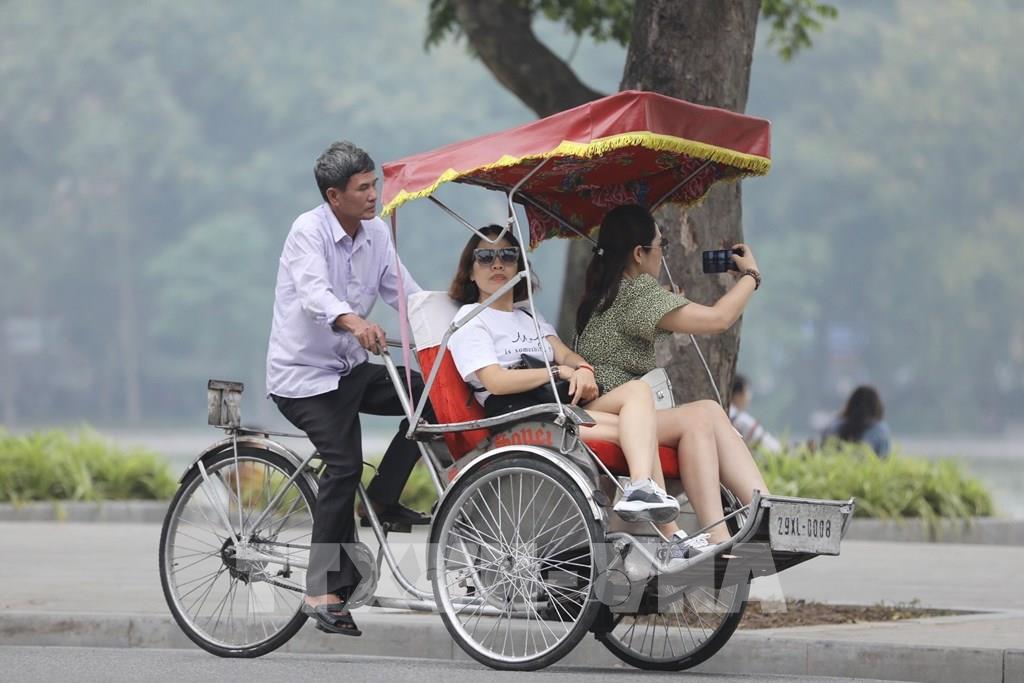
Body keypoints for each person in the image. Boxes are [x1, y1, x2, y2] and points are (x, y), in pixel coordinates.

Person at [446, 225, 709, 562]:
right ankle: (671, 535)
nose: (497, 264)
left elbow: (566, 354)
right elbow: (495, 381)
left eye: (508, 255)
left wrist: (582, 368)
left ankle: (644, 493)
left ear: (519, 266)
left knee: (638, 395)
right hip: (519, 414)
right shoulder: (471, 320)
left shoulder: (529, 317)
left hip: (555, 405)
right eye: (485, 257)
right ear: (470, 271)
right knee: (638, 432)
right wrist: (557, 372)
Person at [266, 141, 433, 636]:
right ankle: (320, 590)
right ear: (333, 196)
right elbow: (314, 294)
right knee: (342, 466)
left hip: (350, 370)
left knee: (429, 397)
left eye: (374, 185)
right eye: (362, 188)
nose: (373, 195)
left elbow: (406, 295)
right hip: (304, 379)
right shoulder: (308, 231)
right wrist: (355, 321)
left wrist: (455, 329)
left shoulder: (376, 232)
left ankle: (380, 500)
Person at [575, 204, 770, 550]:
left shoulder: (609, 290)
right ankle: (757, 514)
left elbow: (634, 325)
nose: (662, 253)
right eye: (661, 245)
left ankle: (734, 527)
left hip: (607, 403)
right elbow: (718, 320)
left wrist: (667, 301)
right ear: (639, 253)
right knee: (702, 414)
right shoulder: (637, 293)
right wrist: (751, 276)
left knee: (705, 414)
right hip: (613, 409)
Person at [821, 385, 891, 457]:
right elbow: (883, 457)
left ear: (851, 404)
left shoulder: (834, 425)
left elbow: (823, 450)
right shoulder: (880, 430)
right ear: (877, 407)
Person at [729, 374, 782, 452]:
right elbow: (767, 443)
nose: (749, 397)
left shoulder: (723, 412)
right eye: (747, 392)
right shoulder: (741, 420)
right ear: (737, 395)